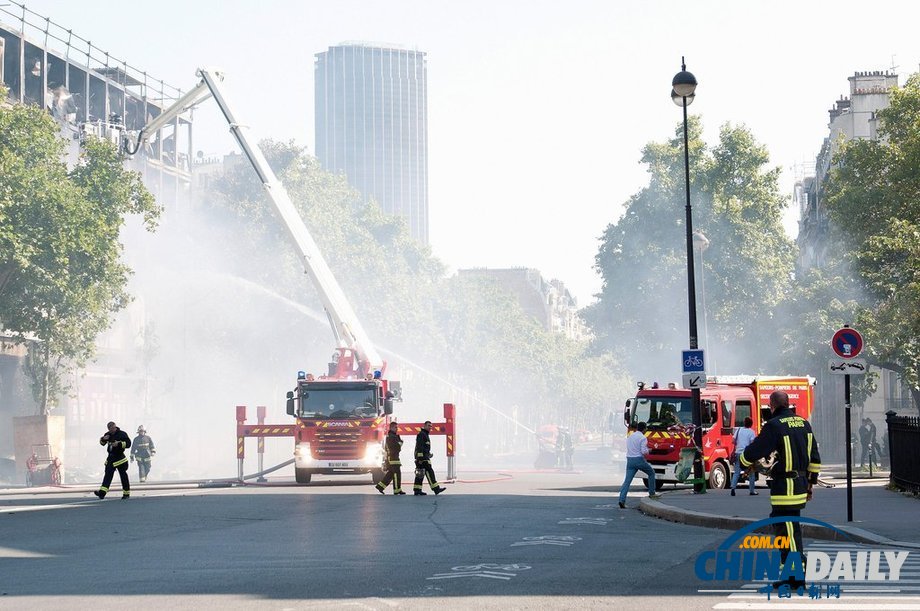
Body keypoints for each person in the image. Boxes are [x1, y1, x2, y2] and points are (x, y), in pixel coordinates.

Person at [740, 391, 821, 590]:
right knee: (785, 527)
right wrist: (810, 484)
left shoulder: (774, 426)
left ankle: (798, 573)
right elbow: (815, 458)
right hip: (800, 484)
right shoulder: (804, 424)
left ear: (772, 405)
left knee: (788, 530)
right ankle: (789, 574)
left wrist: (742, 462)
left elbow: (754, 451)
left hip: (784, 486)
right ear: (788, 403)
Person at [617, 422, 661, 509]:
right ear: (644, 429)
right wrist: (650, 450)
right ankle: (652, 493)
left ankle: (621, 500)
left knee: (627, 481)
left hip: (630, 460)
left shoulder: (630, 436)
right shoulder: (643, 437)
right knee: (651, 473)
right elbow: (643, 451)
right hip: (639, 460)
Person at [94, 421, 132, 500]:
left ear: (115, 427)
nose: (112, 430)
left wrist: (119, 444)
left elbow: (128, 444)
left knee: (123, 476)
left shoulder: (122, 434)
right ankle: (102, 493)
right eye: (110, 429)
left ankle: (126, 493)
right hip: (111, 459)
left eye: (113, 428)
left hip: (120, 458)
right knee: (107, 475)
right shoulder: (108, 434)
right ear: (108, 429)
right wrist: (103, 439)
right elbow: (102, 443)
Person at [413, 421, 446, 496]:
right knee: (429, 472)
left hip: (424, 457)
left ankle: (417, 490)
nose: (430, 427)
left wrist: (429, 454)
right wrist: (420, 458)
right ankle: (436, 489)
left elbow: (425, 448)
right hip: (423, 458)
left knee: (420, 474)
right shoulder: (422, 434)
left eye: (431, 426)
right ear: (424, 426)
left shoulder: (425, 435)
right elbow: (420, 447)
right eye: (428, 426)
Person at [375, 421, 406, 495]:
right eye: (395, 427)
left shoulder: (391, 436)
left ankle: (380, 486)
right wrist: (401, 442)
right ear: (391, 428)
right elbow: (397, 447)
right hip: (394, 458)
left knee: (391, 474)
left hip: (392, 457)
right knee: (397, 474)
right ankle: (397, 490)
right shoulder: (392, 437)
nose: (397, 429)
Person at [730, 417, 757, 496]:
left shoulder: (738, 430)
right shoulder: (751, 432)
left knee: (737, 472)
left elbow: (733, 441)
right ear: (751, 424)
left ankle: (733, 488)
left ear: (744, 423)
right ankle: (751, 490)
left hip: (738, 453)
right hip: (747, 454)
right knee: (751, 472)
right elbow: (752, 443)